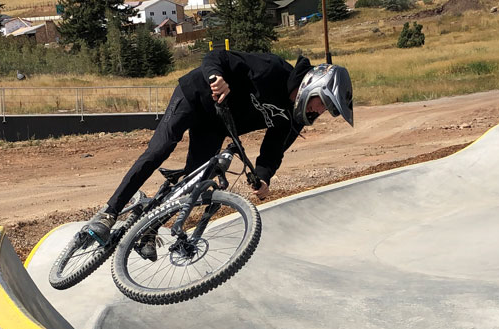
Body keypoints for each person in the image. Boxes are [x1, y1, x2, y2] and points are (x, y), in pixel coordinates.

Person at [84, 49, 354, 259]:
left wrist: (263, 177)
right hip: (195, 96)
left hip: (215, 125)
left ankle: (148, 229)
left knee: (193, 183)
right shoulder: (271, 70)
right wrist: (217, 77)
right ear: (314, 85)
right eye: (325, 104)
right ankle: (109, 213)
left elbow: (273, 151)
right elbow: (216, 57)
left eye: (328, 111)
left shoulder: (295, 119)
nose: (320, 112)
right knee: (158, 151)